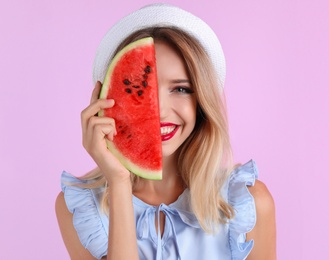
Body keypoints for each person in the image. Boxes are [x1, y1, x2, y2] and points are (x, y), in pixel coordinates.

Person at [55, 3, 276, 260]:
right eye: (140, 90)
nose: (159, 111)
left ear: (200, 102)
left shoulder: (249, 204)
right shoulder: (80, 210)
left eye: (180, 89)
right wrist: (119, 182)